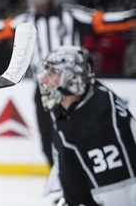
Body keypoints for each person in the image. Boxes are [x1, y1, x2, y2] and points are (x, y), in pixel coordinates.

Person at [0, 0, 136, 165]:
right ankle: (62, 183)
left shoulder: (72, 15)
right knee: (48, 140)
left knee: (81, 133)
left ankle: (83, 177)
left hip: (73, 85)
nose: (38, 2)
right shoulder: (26, 21)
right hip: (44, 87)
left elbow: (106, 21)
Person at [38, 46, 136, 205]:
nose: (44, 80)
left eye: (52, 74)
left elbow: (121, 196)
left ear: (71, 79)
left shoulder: (96, 130)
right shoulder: (77, 100)